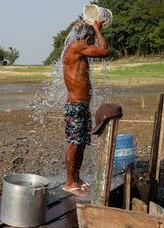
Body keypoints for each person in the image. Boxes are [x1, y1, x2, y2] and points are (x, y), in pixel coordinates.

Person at [62, 20, 109, 197]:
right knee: (74, 144)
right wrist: (97, 28)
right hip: (75, 106)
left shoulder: (78, 47)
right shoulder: (76, 47)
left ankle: (76, 178)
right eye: (91, 40)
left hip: (81, 106)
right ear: (88, 38)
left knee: (81, 143)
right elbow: (104, 50)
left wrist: (83, 26)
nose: (92, 44)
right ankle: (68, 182)